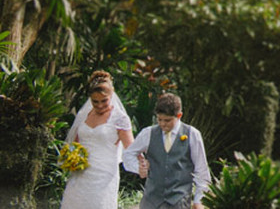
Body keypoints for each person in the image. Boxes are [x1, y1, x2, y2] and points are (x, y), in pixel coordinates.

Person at [122, 93, 211, 209]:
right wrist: (139, 168)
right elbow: (128, 154)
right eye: (159, 119)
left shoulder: (192, 134)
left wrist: (199, 200)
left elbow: (201, 170)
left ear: (179, 115)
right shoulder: (148, 133)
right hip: (151, 202)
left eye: (167, 120)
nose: (162, 124)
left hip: (179, 202)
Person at [61, 71, 134, 209]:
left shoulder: (120, 118)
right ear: (90, 99)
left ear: (111, 94)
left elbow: (131, 148)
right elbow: (75, 144)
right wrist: (69, 157)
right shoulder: (85, 115)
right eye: (95, 101)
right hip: (80, 174)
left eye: (104, 101)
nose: (100, 105)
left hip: (104, 175)